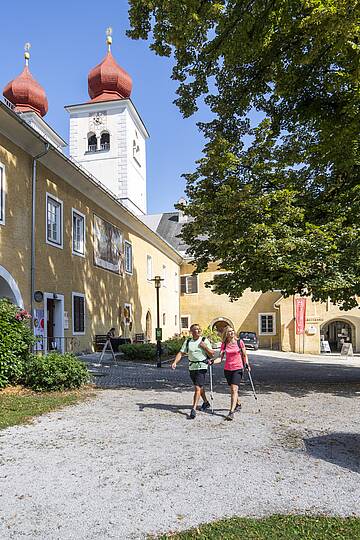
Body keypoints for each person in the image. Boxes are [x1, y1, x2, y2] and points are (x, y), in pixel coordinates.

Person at [172, 324, 214, 419]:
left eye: (199, 329)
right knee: (200, 386)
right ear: (191, 331)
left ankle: (193, 409)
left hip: (202, 366)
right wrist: (175, 362)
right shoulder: (188, 341)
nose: (198, 331)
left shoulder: (204, 340)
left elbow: (212, 354)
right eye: (196, 329)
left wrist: (205, 347)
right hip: (192, 367)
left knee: (197, 388)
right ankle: (206, 403)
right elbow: (181, 353)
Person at [214, 326, 250, 421]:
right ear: (226, 333)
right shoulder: (224, 344)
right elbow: (220, 358)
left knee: (234, 389)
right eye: (229, 331)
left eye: (232, 331)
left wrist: (247, 364)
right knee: (232, 389)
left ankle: (231, 412)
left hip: (238, 368)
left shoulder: (239, 342)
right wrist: (211, 362)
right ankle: (238, 404)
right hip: (227, 369)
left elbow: (244, 355)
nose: (231, 332)